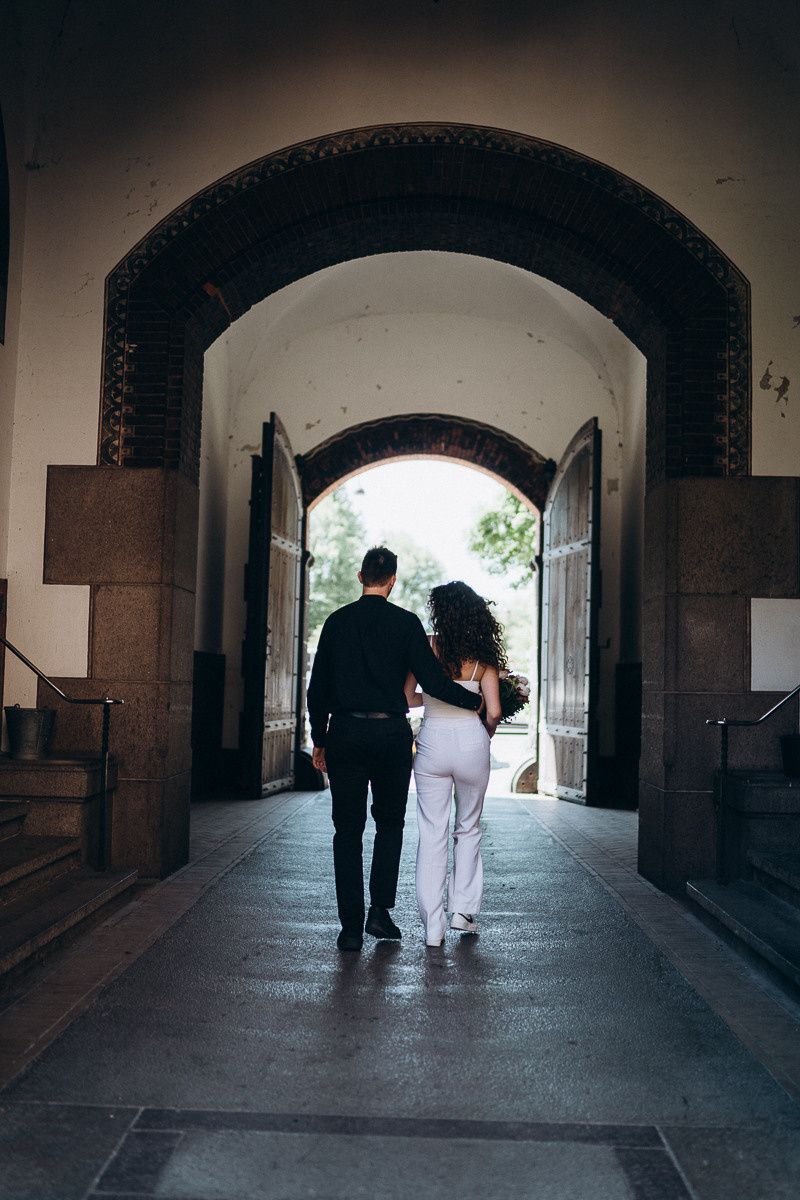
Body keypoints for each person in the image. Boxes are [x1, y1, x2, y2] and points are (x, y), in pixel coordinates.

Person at [307, 547, 484, 953]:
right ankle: (379, 912)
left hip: (346, 733)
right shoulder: (406, 623)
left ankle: (350, 929)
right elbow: (433, 683)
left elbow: (318, 688)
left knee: (347, 830)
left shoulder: (336, 622)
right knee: (390, 823)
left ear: (360, 576)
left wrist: (319, 739)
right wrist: (475, 701)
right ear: (393, 580)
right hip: (390, 736)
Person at [404, 581, 505, 946]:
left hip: (432, 741)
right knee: (468, 827)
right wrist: (485, 734)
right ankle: (462, 912)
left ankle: (433, 928)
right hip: (470, 742)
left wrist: (433, 700)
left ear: (440, 612)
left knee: (432, 832)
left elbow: (407, 697)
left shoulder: (426, 647)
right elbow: (494, 712)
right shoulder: (483, 659)